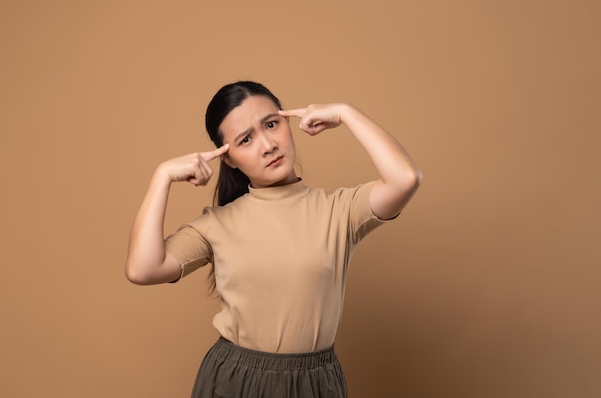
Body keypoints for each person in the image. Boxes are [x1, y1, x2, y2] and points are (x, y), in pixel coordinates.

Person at [125, 80, 422, 398]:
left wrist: (346, 113)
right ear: (229, 158)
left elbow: (405, 179)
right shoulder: (217, 224)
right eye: (246, 139)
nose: (268, 145)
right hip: (234, 381)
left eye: (271, 124)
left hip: (315, 383)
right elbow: (143, 269)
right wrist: (163, 176)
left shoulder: (339, 211)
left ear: (288, 122)